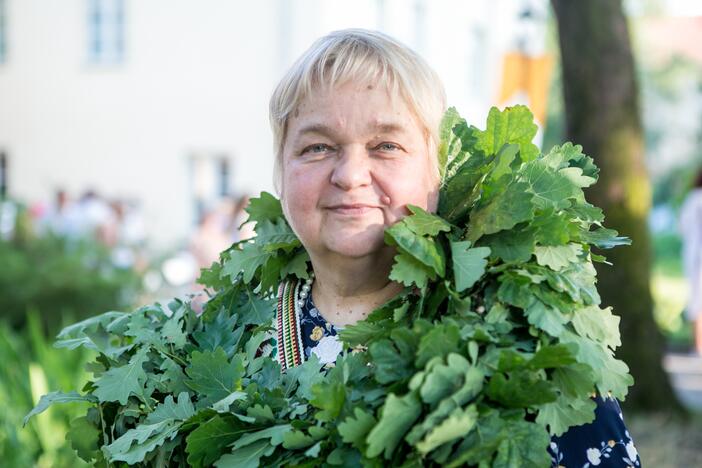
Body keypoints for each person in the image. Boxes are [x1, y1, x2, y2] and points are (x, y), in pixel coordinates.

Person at [267, 29, 641, 467]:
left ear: (436, 173)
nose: (350, 175)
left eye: (386, 146)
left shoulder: (531, 347)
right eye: (318, 147)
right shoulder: (238, 337)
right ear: (281, 171)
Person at [680, 170, 702, 355]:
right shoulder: (695, 199)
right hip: (697, 257)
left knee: (697, 299)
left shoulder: (694, 199)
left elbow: (683, 226)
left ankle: (699, 345)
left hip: (696, 257)